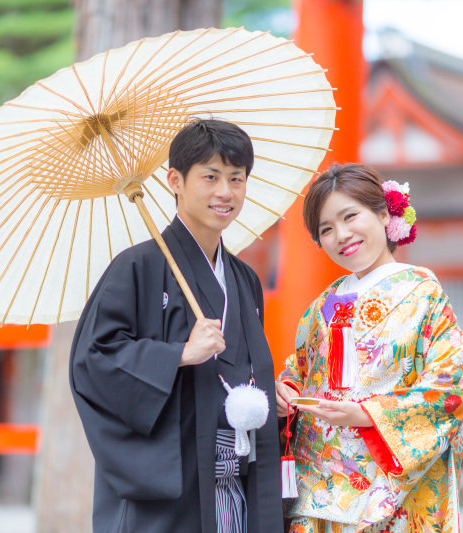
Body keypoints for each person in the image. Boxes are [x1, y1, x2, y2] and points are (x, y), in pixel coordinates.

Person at [70, 118, 283, 533]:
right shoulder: (136, 267)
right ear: (175, 181)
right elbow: (94, 361)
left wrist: (264, 387)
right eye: (210, 176)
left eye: (236, 178)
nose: (225, 192)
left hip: (235, 483)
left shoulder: (244, 278)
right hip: (172, 492)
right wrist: (179, 354)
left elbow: (238, 365)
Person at [275, 163, 463, 533]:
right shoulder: (321, 307)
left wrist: (367, 414)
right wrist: (286, 392)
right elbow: (299, 370)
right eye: (326, 229)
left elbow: (451, 388)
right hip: (318, 487)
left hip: (386, 489)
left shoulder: (422, 294)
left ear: (384, 214)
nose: (341, 235)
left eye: (350, 216)